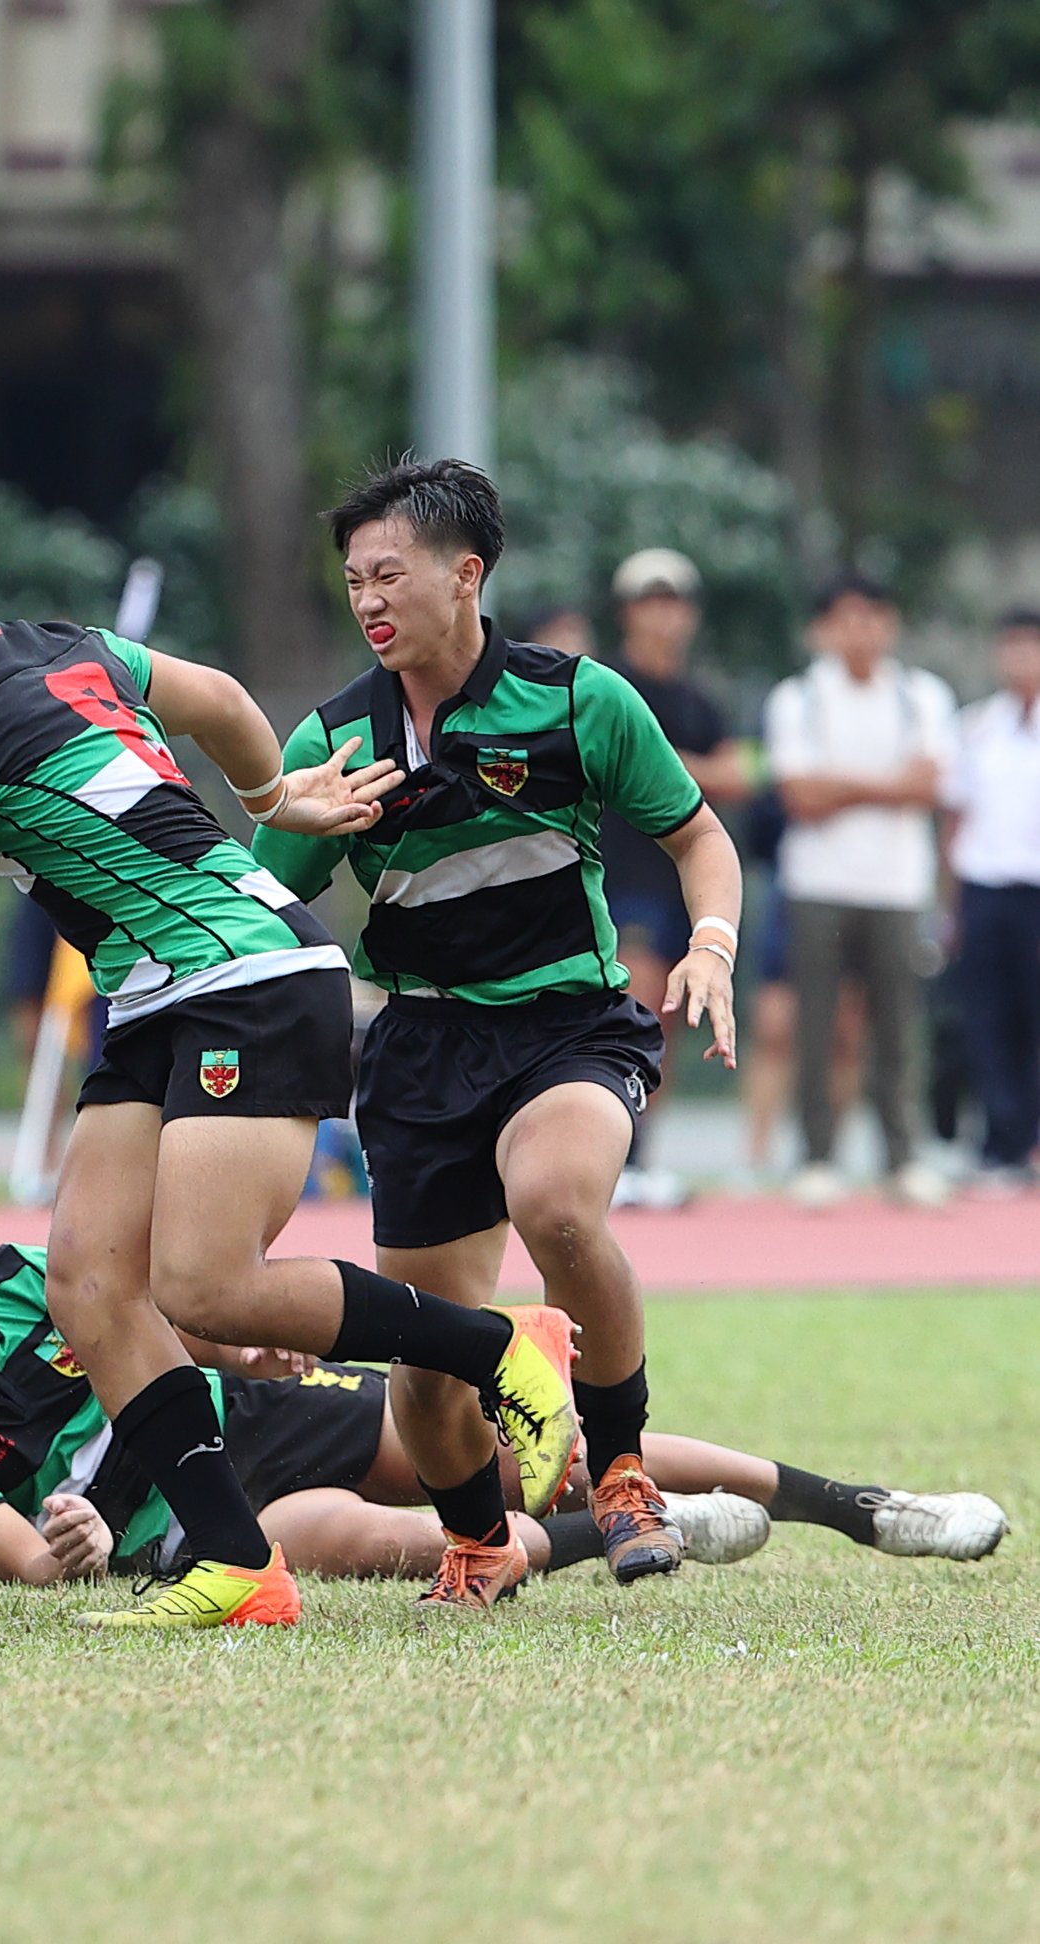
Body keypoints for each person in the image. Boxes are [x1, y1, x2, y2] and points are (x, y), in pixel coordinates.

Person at [0, 448, 579, 1630]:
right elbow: (213, 695)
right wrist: (273, 802)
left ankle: (498, 1344)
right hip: (161, 991)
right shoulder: (62, 644)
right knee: (86, 1287)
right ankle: (237, 1563)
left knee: (204, 1287)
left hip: (241, 977)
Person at [251, 460, 743, 1612]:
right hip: (420, 1051)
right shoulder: (332, 737)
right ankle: (479, 1539)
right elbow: (256, 911)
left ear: (467, 575)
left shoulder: (579, 700)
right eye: (352, 581)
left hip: (569, 1023)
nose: (367, 601)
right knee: (425, 1372)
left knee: (558, 1203)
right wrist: (289, 823)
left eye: (391, 575)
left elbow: (699, 838)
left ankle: (620, 1467)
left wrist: (711, 943)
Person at [0, 1143, 1010, 1585]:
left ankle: (855, 1508)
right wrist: (69, 1544)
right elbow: (27, 1558)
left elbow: (159, 1332)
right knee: (349, 1536)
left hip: (253, 1415)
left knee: (501, 1455)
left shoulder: (40, 1272)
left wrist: (236, 1341)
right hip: (172, 1526)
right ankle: (639, 1534)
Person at [763, 575, 955, 1209]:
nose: (860, 631)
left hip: (898, 887)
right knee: (815, 1024)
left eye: (872, 617)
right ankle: (817, 1157)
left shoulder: (922, 695)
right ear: (823, 629)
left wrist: (842, 787)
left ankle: (903, 1157)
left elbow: (928, 789)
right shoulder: (798, 698)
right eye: (846, 619)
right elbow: (800, 797)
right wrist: (885, 786)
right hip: (819, 882)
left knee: (899, 1028)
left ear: (890, 624)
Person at [601, 548, 751, 1208]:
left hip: (679, 881)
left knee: (666, 1021)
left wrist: (662, 763)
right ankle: (615, 1154)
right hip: (619, 875)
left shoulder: (700, 701)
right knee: (632, 1002)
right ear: (628, 612)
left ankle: (641, 1156)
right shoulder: (608, 688)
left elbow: (739, 777)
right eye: (650, 602)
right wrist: (690, 770)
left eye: (675, 603)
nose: (664, 616)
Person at [939, 609, 1040, 1188]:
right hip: (985, 891)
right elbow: (957, 819)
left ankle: (1028, 1139)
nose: (1020, 659)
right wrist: (948, 907)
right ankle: (1000, 1143)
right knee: (987, 1019)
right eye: (1012, 647)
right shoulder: (977, 727)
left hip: (1035, 891)